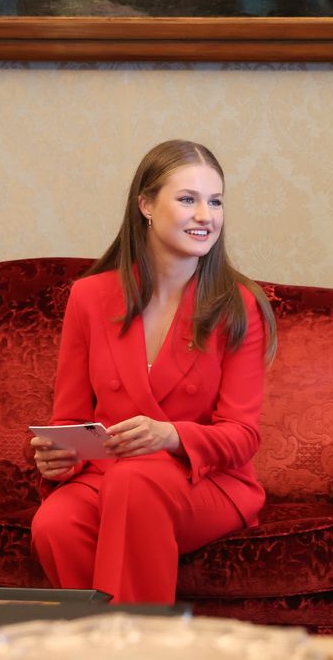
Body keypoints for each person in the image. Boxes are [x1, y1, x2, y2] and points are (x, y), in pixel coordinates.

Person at [29, 139, 277, 604]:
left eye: (216, 201)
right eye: (188, 199)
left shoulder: (238, 306)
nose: (206, 216)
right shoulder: (88, 297)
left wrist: (169, 436)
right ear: (145, 204)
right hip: (109, 474)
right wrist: (59, 455)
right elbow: (68, 420)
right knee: (55, 523)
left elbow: (242, 435)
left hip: (206, 481)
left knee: (135, 482)